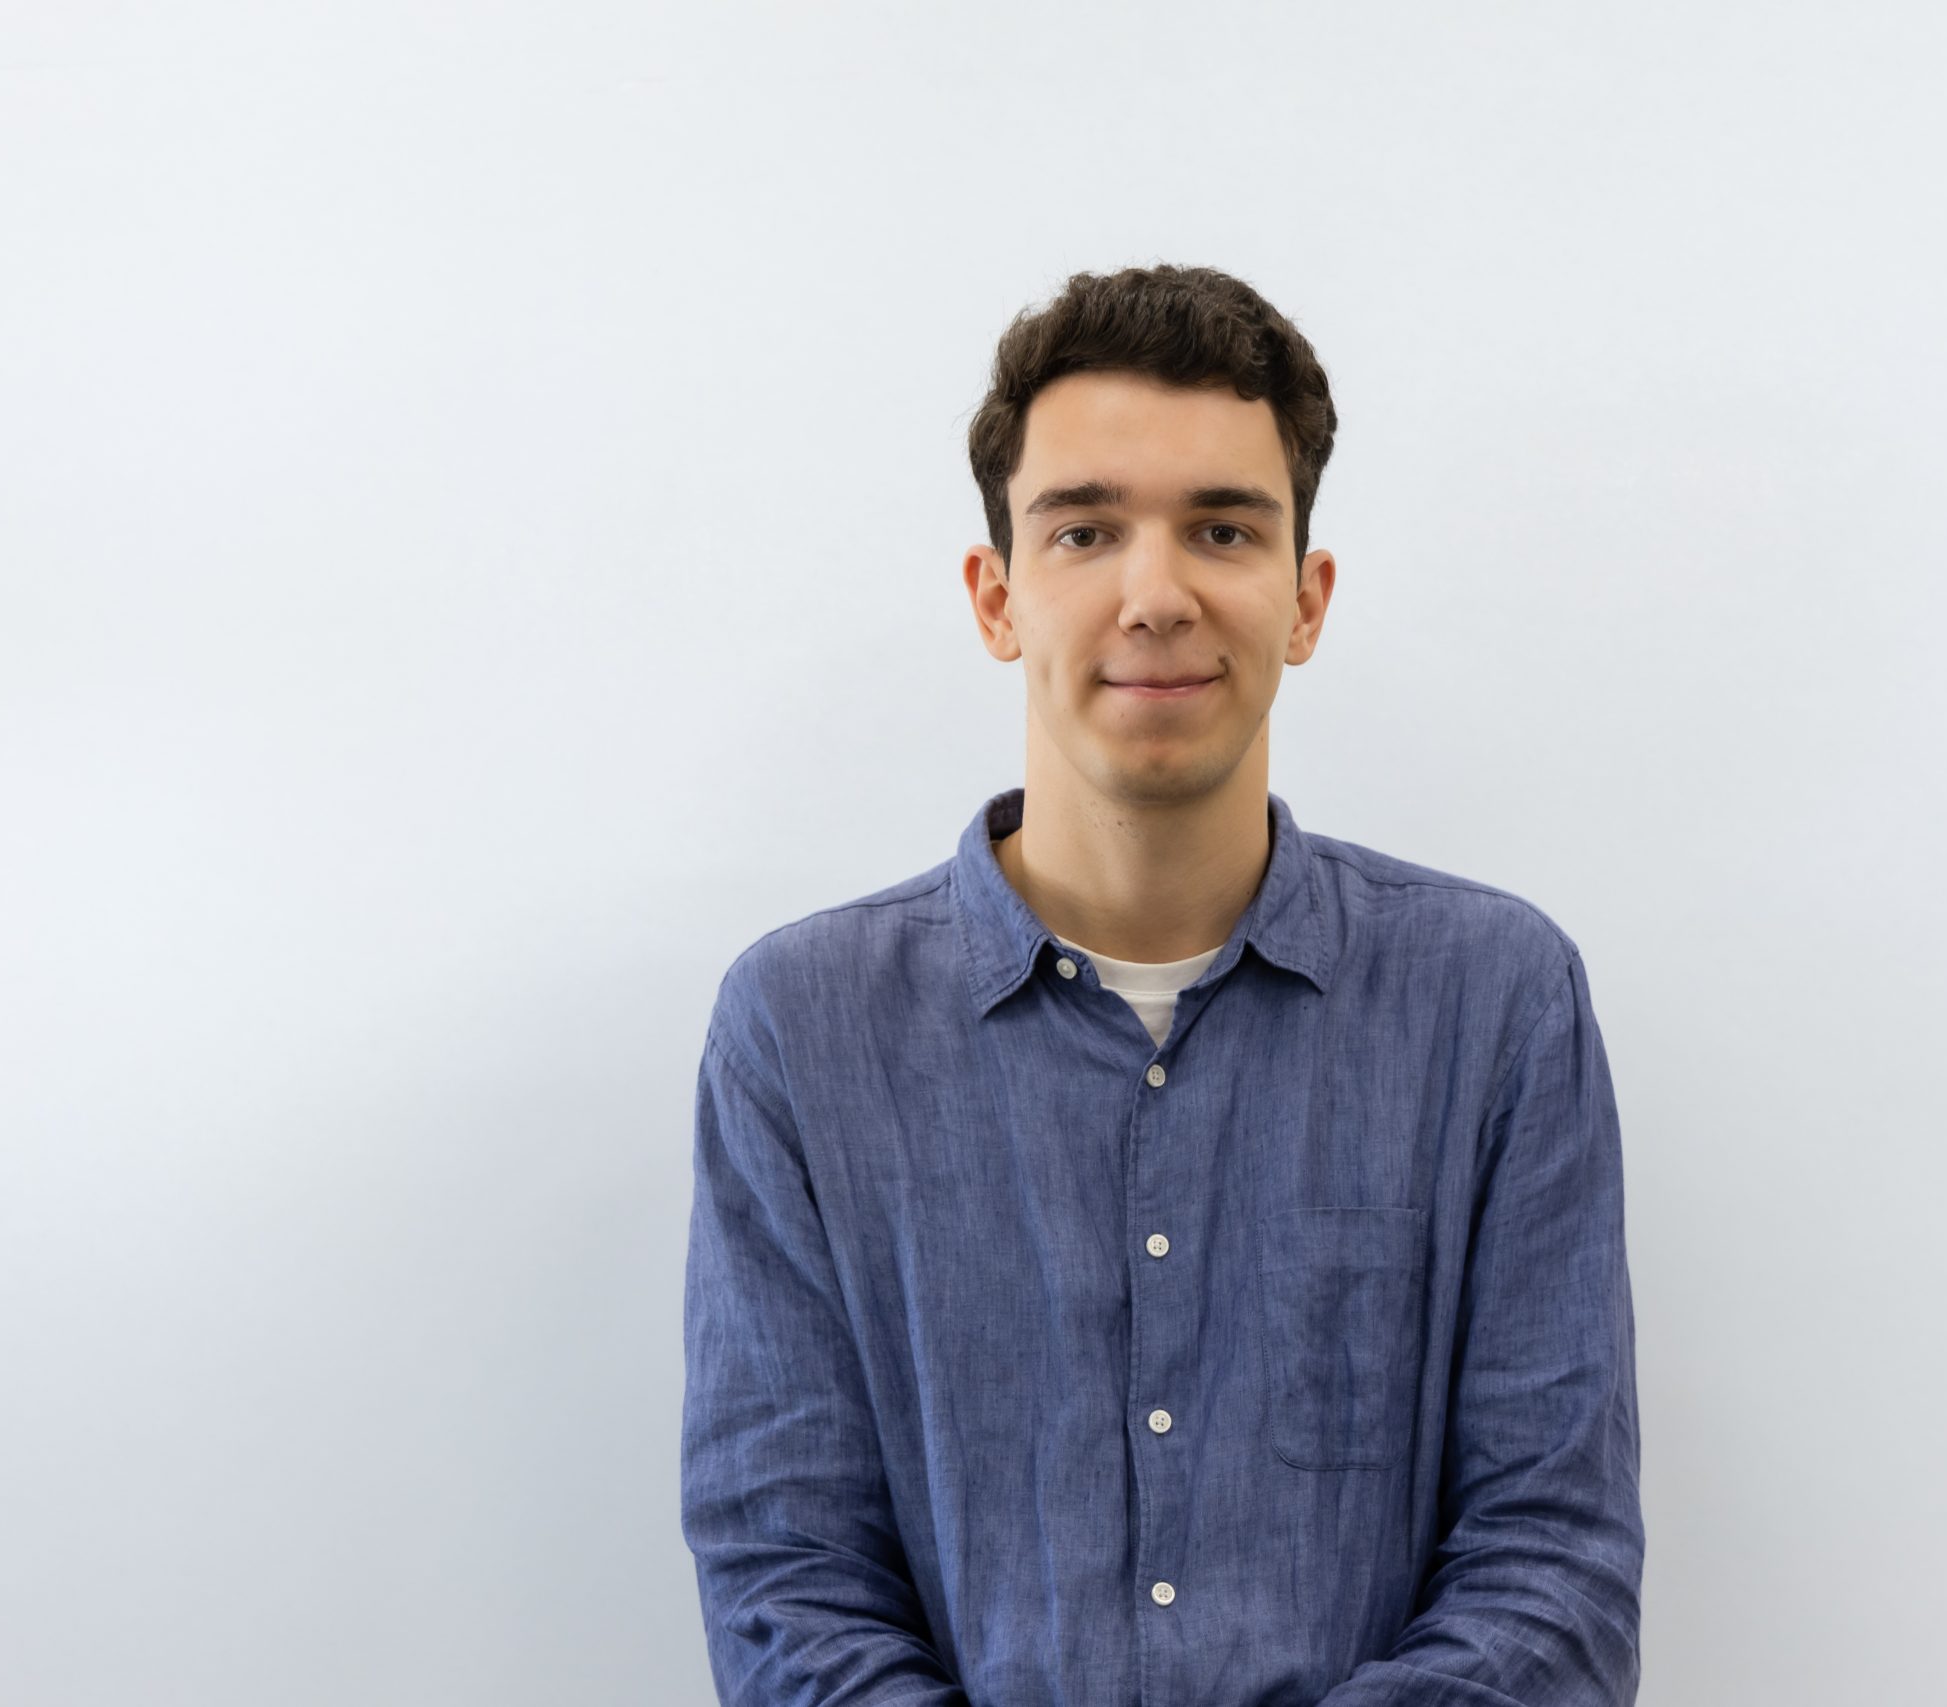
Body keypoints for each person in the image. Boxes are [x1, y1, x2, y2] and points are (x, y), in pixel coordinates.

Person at [681, 262, 1644, 1706]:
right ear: (998, 597)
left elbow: (1554, 1567)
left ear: (1305, 599)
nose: (1155, 596)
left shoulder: (1497, 1003)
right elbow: (785, 1581)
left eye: (1223, 529)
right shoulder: (801, 1029)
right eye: (1084, 530)